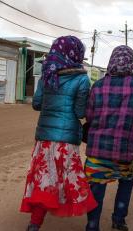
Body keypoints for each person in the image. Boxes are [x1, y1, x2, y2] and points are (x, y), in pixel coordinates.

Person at [20, 36, 97, 231]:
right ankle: (92, 224)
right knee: (67, 180)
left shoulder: (47, 75)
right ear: (76, 53)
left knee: (44, 181)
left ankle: (34, 225)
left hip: (44, 139)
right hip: (66, 140)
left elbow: (37, 104)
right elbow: (80, 112)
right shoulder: (81, 78)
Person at [84, 45, 133, 231]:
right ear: (131, 62)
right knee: (126, 181)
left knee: (96, 188)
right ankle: (119, 220)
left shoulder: (98, 86)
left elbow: (89, 116)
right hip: (123, 150)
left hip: (97, 150)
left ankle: (92, 226)